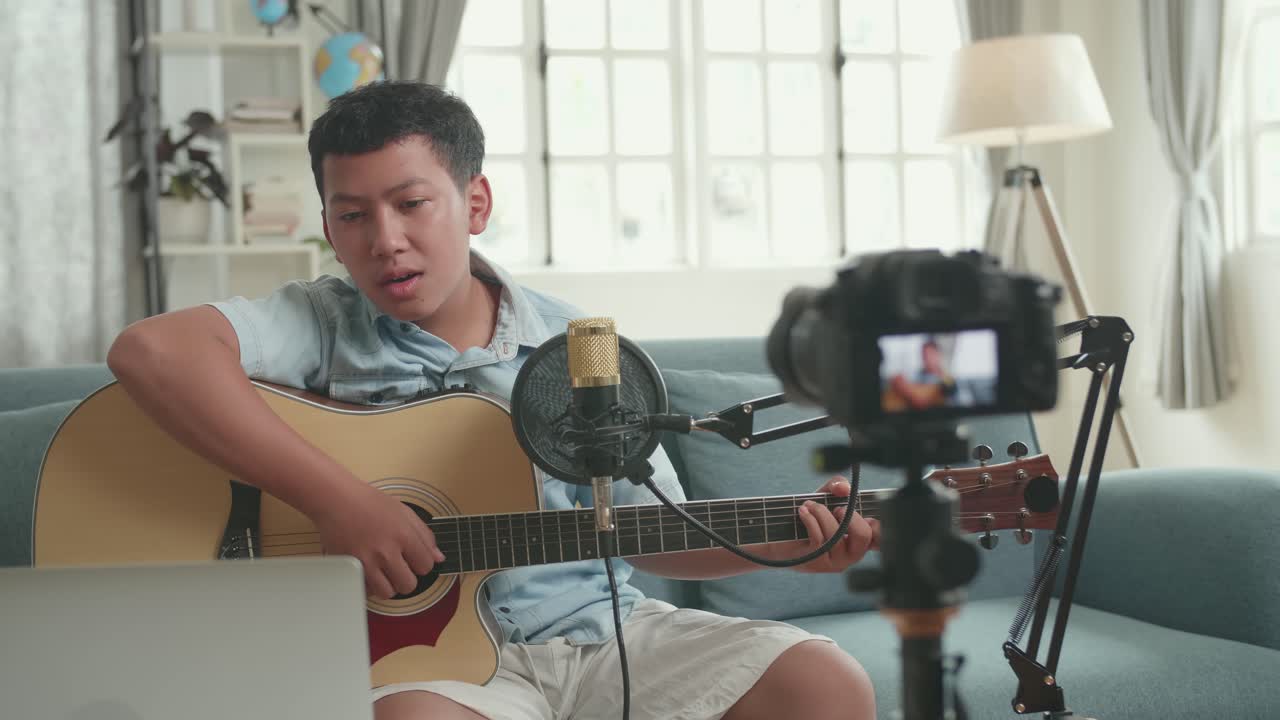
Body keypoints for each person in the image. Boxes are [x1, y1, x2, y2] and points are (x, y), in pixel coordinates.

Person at [107, 81, 879, 720]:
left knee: (824, 681)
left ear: (474, 203)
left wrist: (789, 544)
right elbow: (152, 351)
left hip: (601, 636)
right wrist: (342, 502)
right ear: (329, 232)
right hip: (435, 669)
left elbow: (646, 535)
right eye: (353, 215)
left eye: (412, 204)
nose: (385, 239)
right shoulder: (319, 322)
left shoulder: (577, 342)